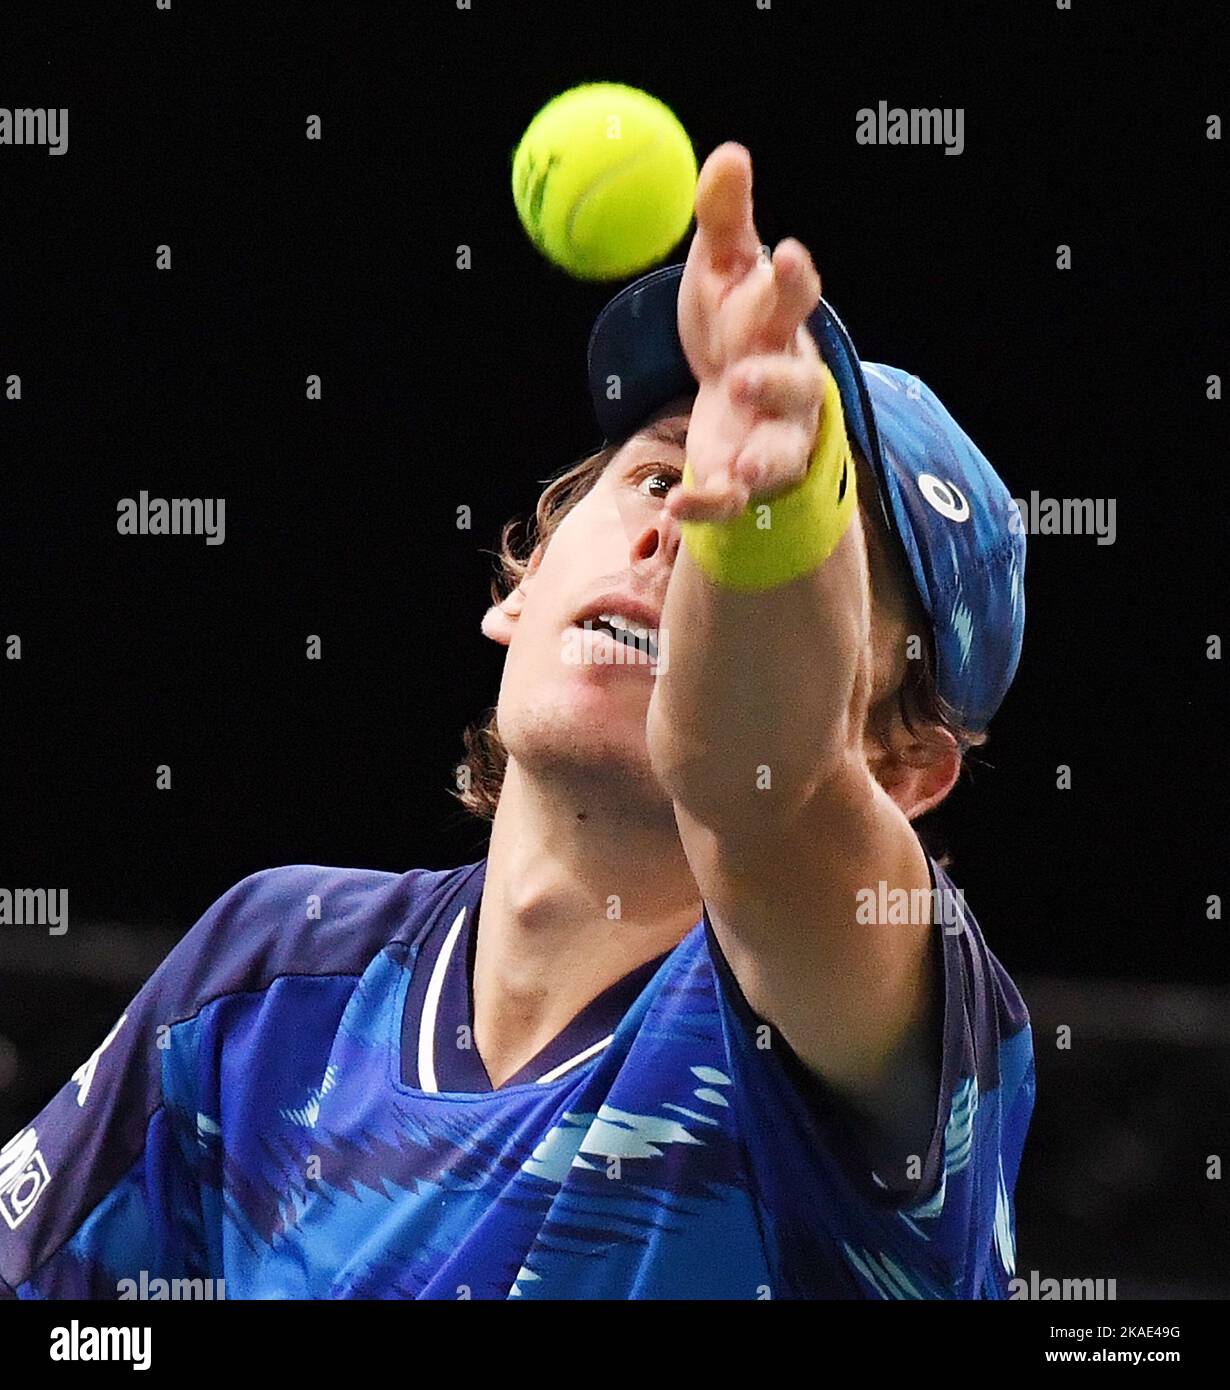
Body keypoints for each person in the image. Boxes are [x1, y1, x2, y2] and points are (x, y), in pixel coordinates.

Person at [0, 144, 1033, 1300]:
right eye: (657, 477)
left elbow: (762, 778)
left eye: (773, 543)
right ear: (524, 577)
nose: (684, 534)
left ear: (901, 771)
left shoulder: (874, 1026)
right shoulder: (268, 981)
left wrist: (779, 513)